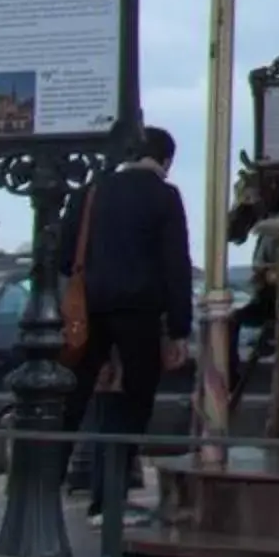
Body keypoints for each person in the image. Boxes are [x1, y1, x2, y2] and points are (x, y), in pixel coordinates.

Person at [59, 126, 194, 514]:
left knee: (76, 401)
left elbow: (68, 255)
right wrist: (179, 328)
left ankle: (46, 487)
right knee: (133, 404)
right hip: (139, 311)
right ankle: (109, 500)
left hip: (91, 310)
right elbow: (176, 264)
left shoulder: (91, 192)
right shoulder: (163, 196)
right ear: (165, 161)